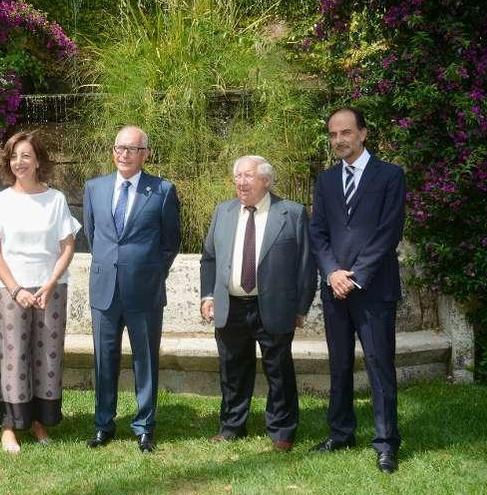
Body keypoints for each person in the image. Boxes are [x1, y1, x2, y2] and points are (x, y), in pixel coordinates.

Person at [308, 106, 406, 473]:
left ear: (363, 134)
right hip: (335, 289)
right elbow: (317, 231)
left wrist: (356, 274)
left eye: (346, 133)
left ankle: (385, 443)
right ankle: (341, 432)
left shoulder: (390, 176)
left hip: (374, 288)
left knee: (380, 367)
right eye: (333, 135)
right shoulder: (326, 180)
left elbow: (389, 232)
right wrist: (332, 272)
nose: (339, 141)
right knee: (340, 365)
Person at [199, 155, 315, 452]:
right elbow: (209, 258)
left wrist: (301, 307)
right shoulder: (223, 212)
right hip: (231, 306)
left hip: (274, 306)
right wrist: (208, 296)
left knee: (279, 371)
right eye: (237, 176)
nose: (241, 181)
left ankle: (281, 431)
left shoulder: (291, 213)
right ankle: (232, 427)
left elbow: (306, 264)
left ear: (266, 180)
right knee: (232, 370)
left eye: (247, 175)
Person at [0, 131, 80, 454]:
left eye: (25, 156)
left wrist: (50, 283)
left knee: (48, 357)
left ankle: (38, 422)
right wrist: (16, 288)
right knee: (13, 357)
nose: (19, 162)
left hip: (52, 288)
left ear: (38, 161)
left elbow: (67, 246)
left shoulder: (57, 199)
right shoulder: (1, 201)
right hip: (12, 289)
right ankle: (9, 426)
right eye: (13, 156)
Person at [82, 125, 181, 453]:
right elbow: (94, 235)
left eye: (132, 149)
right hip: (104, 290)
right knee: (103, 359)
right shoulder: (94, 188)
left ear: (145, 154)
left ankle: (144, 426)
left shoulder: (163, 190)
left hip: (145, 292)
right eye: (119, 148)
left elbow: (171, 242)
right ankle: (103, 424)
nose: (123, 154)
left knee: (146, 360)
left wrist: (150, 273)